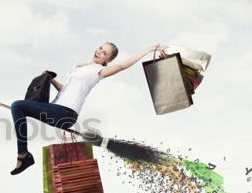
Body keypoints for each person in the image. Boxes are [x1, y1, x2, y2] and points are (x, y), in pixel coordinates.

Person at [9, 42, 166, 175]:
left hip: (65, 113)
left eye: (104, 53)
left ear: (107, 60)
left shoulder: (97, 71)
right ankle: (24, 155)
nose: (99, 52)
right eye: (99, 48)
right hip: (55, 109)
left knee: (17, 105)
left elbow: (121, 66)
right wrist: (50, 79)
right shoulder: (79, 68)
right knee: (19, 108)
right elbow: (66, 91)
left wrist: (148, 50)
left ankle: (23, 155)